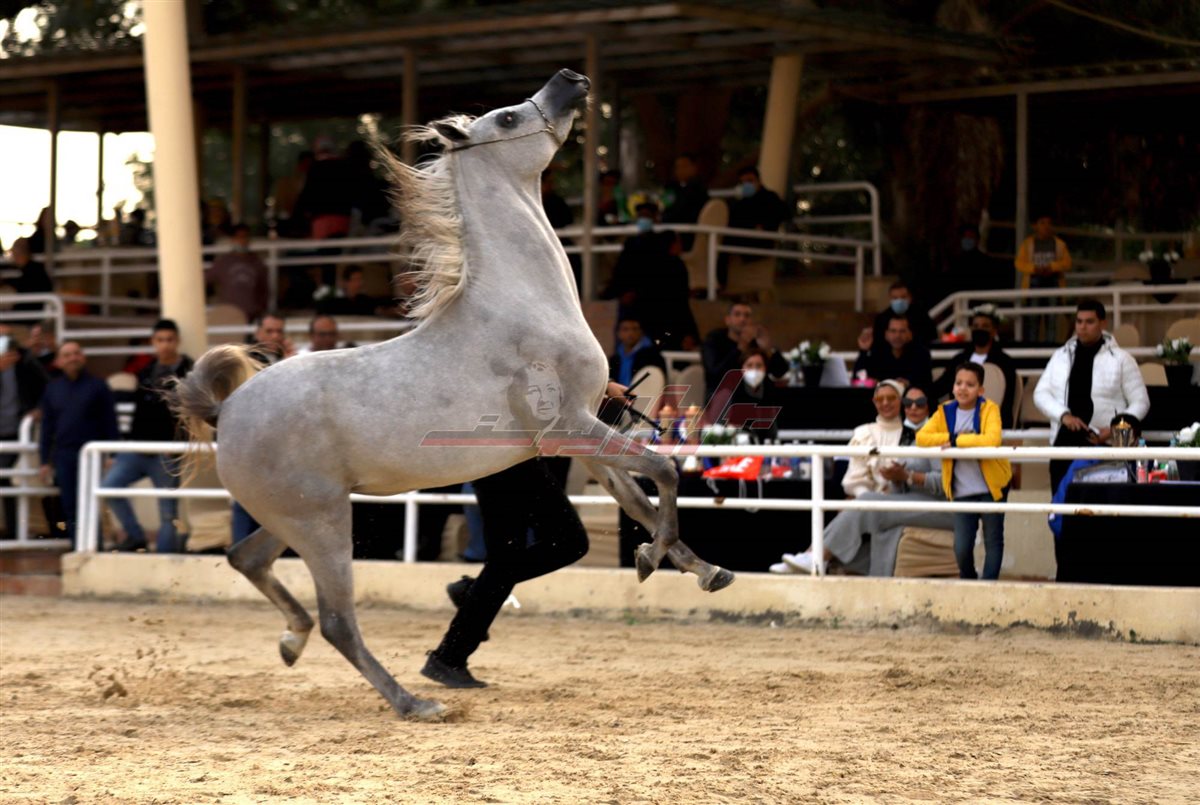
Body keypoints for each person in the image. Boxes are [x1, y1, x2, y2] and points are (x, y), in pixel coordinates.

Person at [421, 379, 630, 688]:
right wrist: (602, 384)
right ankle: (451, 650)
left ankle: (454, 644)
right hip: (505, 453)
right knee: (564, 543)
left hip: (501, 452)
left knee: (514, 559)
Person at [774, 384, 953, 576]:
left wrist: (907, 476)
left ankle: (815, 556)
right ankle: (820, 559)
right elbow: (902, 487)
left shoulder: (937, 434)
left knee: (868, 501)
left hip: (940, 507)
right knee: (876, 524)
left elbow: (945, 483)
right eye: (909, 403)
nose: (913, 407)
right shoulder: (906, 436)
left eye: (920, 402)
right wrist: (895, 478)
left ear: (929, 405)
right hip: (912, 503)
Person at [1033, 299, 1150, 491]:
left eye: (1089, 322)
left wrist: (1114, 429)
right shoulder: (1061, 356)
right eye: (1079, 321)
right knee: (1061, 502)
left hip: (1104, 444)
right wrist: (1064, 415)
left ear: (1103, 324)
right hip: (1064, 442)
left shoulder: (1122, 359)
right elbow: (1040, 393)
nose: (1083, 327)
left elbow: (1141, 402)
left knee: (1100, 503)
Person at [100, 320, 194, 553]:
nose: (165, 345)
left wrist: (179, 445)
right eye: (160, 340)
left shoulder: (190, 372)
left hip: (167, 451)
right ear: (153, 342)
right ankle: (135, 537)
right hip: (138, 447)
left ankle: (165, 559)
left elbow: (193, 415)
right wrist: (122, 449)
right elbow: (138, 413)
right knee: (110, 487)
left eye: (169, 340)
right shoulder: (146, 371)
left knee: (167, 512)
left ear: (177, 341)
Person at [916, 362, 1012, 580]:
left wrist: (957, 441)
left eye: (970, 384)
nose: (962, 388)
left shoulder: (990, 409)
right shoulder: (945, 411)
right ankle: (969, 583)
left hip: (992, 487)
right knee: (961, 546)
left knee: (993, 540)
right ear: (953, 386)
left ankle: (988, 587)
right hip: (961, 489)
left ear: (980, 390)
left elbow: (992, 439)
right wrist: (951, 438)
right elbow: (922, 438)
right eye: (958, 383)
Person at [39, 341, 119, 547]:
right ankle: (78, 548)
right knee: (70, 504)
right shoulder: (52, 389)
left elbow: (110, 422)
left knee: (91, 503)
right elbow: (47, 428)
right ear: (59, 361)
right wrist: (44, 461)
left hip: (92, 455)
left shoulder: (98, 386)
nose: (73, 358)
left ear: (83, 357)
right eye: (67, 355)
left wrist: (112, 454)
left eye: (76, 353)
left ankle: (95, 548)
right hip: (64, 456)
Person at [600, 202, 699, 351]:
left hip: (659, 314)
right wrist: (621, 293)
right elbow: (622, 273)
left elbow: (679, 302)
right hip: (639, 307)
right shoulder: (632, 244)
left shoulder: (672, 265)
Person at [0, 324, 50, 538]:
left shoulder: (24, 360)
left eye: (8, 337)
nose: (5, 342)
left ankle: (14, 532)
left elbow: (48, 388)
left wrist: (38, 409)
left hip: (15, 433)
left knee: (6, 475)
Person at [929, 307, 1017, 428]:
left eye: (985, 326)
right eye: (975, 326)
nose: (979, 329)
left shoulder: (1004, 362)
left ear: (994, 331)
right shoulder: (959, 359)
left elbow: (1007, 400)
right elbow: (940, 387)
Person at [701, 301, 787, 400]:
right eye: (737, 315)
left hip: (754, 396)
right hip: (722, 396)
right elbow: (715, 375)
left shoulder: (755, 342)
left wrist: (767, 349)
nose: (742, 319)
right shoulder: (714, 340)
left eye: (747, 316)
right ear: (728, 320)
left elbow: (780, 372)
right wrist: (740, 347)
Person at [723, 166, 787, 288]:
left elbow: (783, 214)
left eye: (750, 181)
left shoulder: (770, 198)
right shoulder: (739, 203)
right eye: (743, 182)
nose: (747, 185)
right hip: (740, 242)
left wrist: (764, 226)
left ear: (758, 181)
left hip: (760, 243)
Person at [1015, 215, 1072, 342]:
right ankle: (1032, 348)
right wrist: (1034, 269)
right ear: (1035, 226)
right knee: (1033, 319)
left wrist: (1052, 267)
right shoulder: (1028, 244)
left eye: (1048, 223)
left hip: (1053, 282)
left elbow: (1067, 263)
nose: (1046, 226)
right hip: (1034, 284)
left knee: (1052, 319)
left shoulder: (1059, 244)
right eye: (1042, 223)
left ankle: (1050, 347)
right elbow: (1019, 263)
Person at [205, 224, 269, 323]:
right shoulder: (223, 262)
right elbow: (206, 280)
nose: (242, 241)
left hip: (251, 314)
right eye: (239, 237)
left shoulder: (257, 262)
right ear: (233, 239)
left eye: (245, 237)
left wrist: (260, 309)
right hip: (229, 314)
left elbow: (264, 289)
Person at [720, 347, 783, 443]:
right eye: (749, 365)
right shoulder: (730, 391)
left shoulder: (770, 389)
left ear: (765, 368)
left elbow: (773, 428)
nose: (754, 370)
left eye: (759, 365)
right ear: (742, 368)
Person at [853, 313, 932, 390]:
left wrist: (909, 384)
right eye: (893, 331)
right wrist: (863, 351)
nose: (897, 336)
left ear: (910, 334)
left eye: (902, 331)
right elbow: (858, 379)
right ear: (886, 334)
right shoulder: (877, 353)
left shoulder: (921, 354)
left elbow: (927, 385)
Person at [942, 224, 1009, 302]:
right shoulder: (956, 262)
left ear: (977, 240)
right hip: (960, 302)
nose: (967, 240)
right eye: (965, 237)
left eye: (970, 237)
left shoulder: (986, 262)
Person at [661, 154, 708, 249]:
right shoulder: (672, 188)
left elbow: (681, 212)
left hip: (687, 235)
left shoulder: (698, 190)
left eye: (684, 166)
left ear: (694, 168)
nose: (680, 170)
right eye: (677, 167)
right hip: (671, 231)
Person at [870, 281, 937, 347]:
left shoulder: (921, 316)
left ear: (910, 298)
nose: (899, 301)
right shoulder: (882, 319)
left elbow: (932, 336)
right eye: (895, 298)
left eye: (903, 297)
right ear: (890, 299)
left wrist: (912, 338)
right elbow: (877, 341)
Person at [608, 318, 666, 388]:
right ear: (618, 333)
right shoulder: (615, 358)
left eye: (635, 329)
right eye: (625, 329)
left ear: (641, 332)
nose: (630, 333)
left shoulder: (652, 356)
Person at [272, 150, 313, 238]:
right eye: (305, 163)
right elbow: (279, 205)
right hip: (289, 224)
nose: (307, 167)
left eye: (310, 164)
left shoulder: (315, 182)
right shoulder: (286, 183)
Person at [7, 238, 53, 305]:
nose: (12, 257)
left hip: (32, 308)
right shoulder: (36, 269)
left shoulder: (31, 273)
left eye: (13, 253)